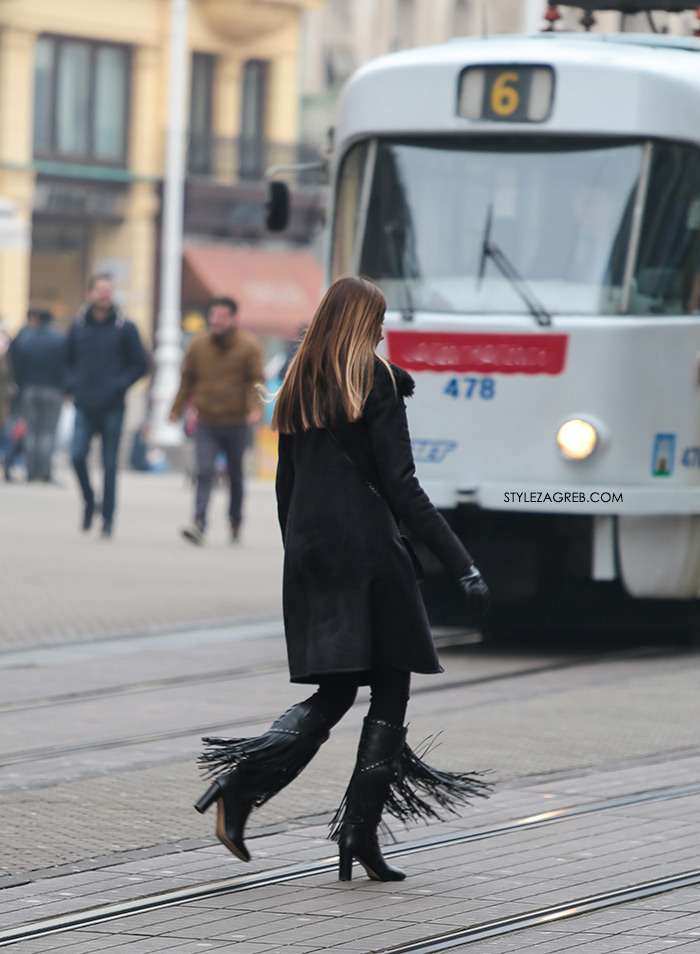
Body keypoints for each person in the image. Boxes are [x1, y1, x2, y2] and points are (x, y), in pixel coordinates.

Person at [194, 276, 491, 883]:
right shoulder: (374, 379)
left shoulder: (298, 380)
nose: (384, 331)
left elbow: (285, 488)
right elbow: (404, 487)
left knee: (334, 693)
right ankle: (356, 832)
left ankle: (241, 787)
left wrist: (299, 554)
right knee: (390, 690)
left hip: (313, 554)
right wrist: (461, 562)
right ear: (360, 323)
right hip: (371, 557)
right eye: (379, 319)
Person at [169, 296, 265, 544]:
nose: (217, 321)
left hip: (237, 421)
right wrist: (176, 409)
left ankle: (235, 521)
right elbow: (186, 379)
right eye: (213, 316)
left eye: (222, 316)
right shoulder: (199, 344)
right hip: (207, 421)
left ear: (234, 318)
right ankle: (199, 521)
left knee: (235, 475)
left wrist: (256, 408)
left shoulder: (249, 346)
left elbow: (256, 381)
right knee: (204, 470)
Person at [65, 274, 148, 537]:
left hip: (113, 405)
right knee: (77, 455)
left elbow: (141, 364)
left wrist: (120, 383)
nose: (105, 295)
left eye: (109, 291)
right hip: (84, 404)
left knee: (110, 466)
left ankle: (108, 520)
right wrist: (71, 385)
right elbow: (66, 360)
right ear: (90, 293)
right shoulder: (78, 326)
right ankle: (90, 501)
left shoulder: (125, 327)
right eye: (101, 290)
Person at [9, 309, 65, 482]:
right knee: (48, 431)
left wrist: (20, 384)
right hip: (54, 389)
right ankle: (44, 472)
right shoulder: (60, 340)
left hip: (30, 388)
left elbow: (15, 363)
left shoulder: (26, 339)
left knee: (31, 431)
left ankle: (31, 471)